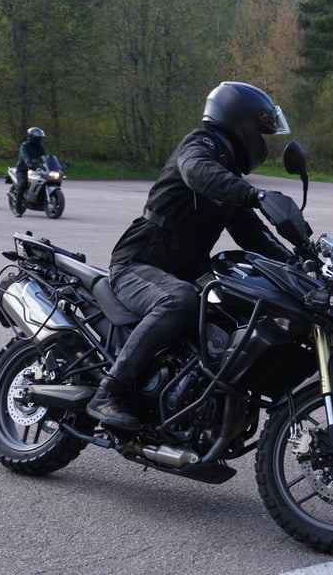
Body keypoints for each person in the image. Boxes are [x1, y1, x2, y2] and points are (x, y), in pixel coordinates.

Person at [86, 81, 293, 430]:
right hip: (138, 263)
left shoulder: (228, 175)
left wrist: (299, 262)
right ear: (240, 122)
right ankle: (110, 390)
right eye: (261, 129)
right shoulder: (199, 146)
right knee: (178, 300)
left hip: (181, 270)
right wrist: (255, 195)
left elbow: (254, 237)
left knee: (235, 310)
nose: (263, 140)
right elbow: (198, 172)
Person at [14, 127, 47, 216]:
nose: (40, 139)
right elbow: (26, 157)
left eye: (41, 138)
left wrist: (48, 165)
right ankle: (17, 209)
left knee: (45, 181)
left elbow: (45, 158)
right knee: (23, 184)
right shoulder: (24, 146)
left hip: (36, 168)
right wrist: (30, 164)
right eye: (38, 138)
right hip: (23, 169)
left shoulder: (40, 147)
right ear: (31, 137)